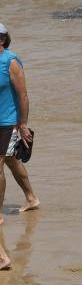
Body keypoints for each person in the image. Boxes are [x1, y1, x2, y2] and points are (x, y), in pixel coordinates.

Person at [0, 23, 39, 225]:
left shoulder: (10, 62)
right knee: (11, 161)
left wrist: (23, 124)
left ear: (2, 39)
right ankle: (31, 197)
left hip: (8, 122)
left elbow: (23, 96)